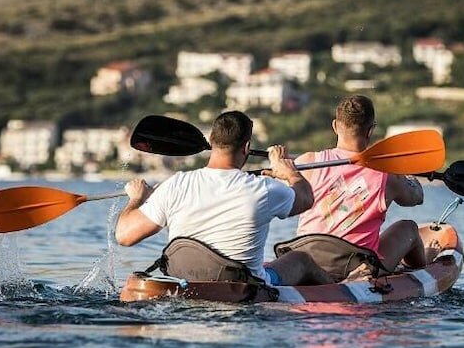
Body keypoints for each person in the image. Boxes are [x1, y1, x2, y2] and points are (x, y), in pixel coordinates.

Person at [115, 110, 335, 286]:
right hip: (241, 285)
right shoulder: (264, 189)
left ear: (211, 141)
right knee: (301, 259)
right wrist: (288, 172)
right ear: (247, 147)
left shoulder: (175, 184)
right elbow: (306, 198)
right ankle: (344, 288)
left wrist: (136, 198)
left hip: (185, 279)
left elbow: (124, 236)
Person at [295, 95, 430, 274]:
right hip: (354, 265)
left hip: (305, 259)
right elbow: (416, 197)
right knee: (409, 228)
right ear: (370, 130)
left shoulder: (307, 162)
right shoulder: (388, 175)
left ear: (335, 126)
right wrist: (406, 175)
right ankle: (422, 273)